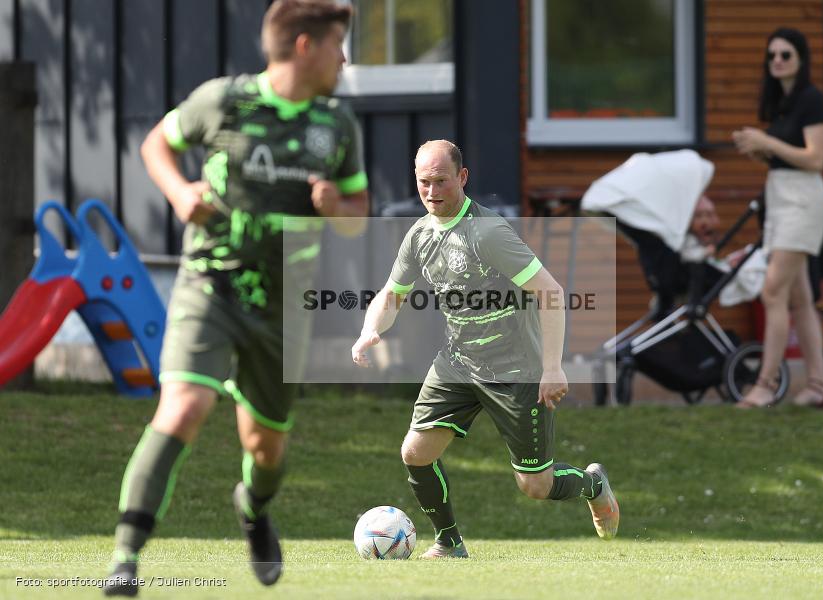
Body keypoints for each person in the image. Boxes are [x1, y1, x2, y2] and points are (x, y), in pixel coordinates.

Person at [103, 1, 369, 595]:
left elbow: (359, 215)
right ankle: (125, 560)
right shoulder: (224, 100)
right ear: (305, 46)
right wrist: (179, 192)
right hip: (210, 282)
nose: (344, 60)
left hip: (282, 305)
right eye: (337, 46)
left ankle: (252, 508)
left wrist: (337, 210)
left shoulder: (337, 126)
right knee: (183, 409)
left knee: (266, 447)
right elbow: (156, 145)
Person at [351, 140, 619, 559]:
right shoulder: (419, 235)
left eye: (441, 181)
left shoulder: (488, 233)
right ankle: (449, 542)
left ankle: (592, 485)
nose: (432, 191)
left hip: (515, 369)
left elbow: (550, 291)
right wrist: (370, 329)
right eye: (424, 182)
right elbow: (391, 294)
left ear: (462, 178)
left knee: (535, 485)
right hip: (458, 363)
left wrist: (552, 367)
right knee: (415, 453)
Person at [731, 27, 823, 408]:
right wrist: (757, 149)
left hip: (802, 202)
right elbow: (785, 158)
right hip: (781, 198)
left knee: (773, 291)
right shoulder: (783, 103)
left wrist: (767, 141)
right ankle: (819, 384)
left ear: (801, 59)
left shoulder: (811, 99)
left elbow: (815, 159)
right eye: (772, 55)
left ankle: (765, 385)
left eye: (785, 54)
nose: (777, 61)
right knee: (800, 297)